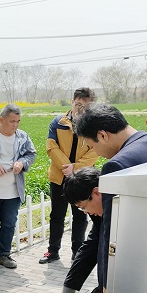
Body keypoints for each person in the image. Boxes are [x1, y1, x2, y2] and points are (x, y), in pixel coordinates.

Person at [75, 103, 147, 293]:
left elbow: (111, 231)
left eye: (92, 145)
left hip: (138, 268)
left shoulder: (117, 165)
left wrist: (107, 283)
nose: (96, 153)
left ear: (103, 135)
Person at [32, 167, 103, 293]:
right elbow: (90, 247)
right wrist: (68, 291)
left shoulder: (124, 208)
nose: (86, 213)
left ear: (96, 192)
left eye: (83, 206)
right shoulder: (101, 211)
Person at [39, 88, 99, 265]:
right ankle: (53, 251)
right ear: (72, 101)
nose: (81, 109)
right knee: (57, 214)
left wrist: (76, 168)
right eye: (78, 104)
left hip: (81, 177)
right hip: (59, 175)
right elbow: (51, 146)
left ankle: (77, 252)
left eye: (86, 106)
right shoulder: (58, 122)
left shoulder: (92, 126)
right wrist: (67, 167)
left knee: (80, 215)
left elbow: (95, 151)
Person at [0, 104, 37, 269]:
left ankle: (4, 255)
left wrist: (21, 163)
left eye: (18, 121)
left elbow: (31, 154)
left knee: (9, 224)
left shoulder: (22, 137)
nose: (15, 125)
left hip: (13, 190)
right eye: (12, 121)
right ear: (1, 119)